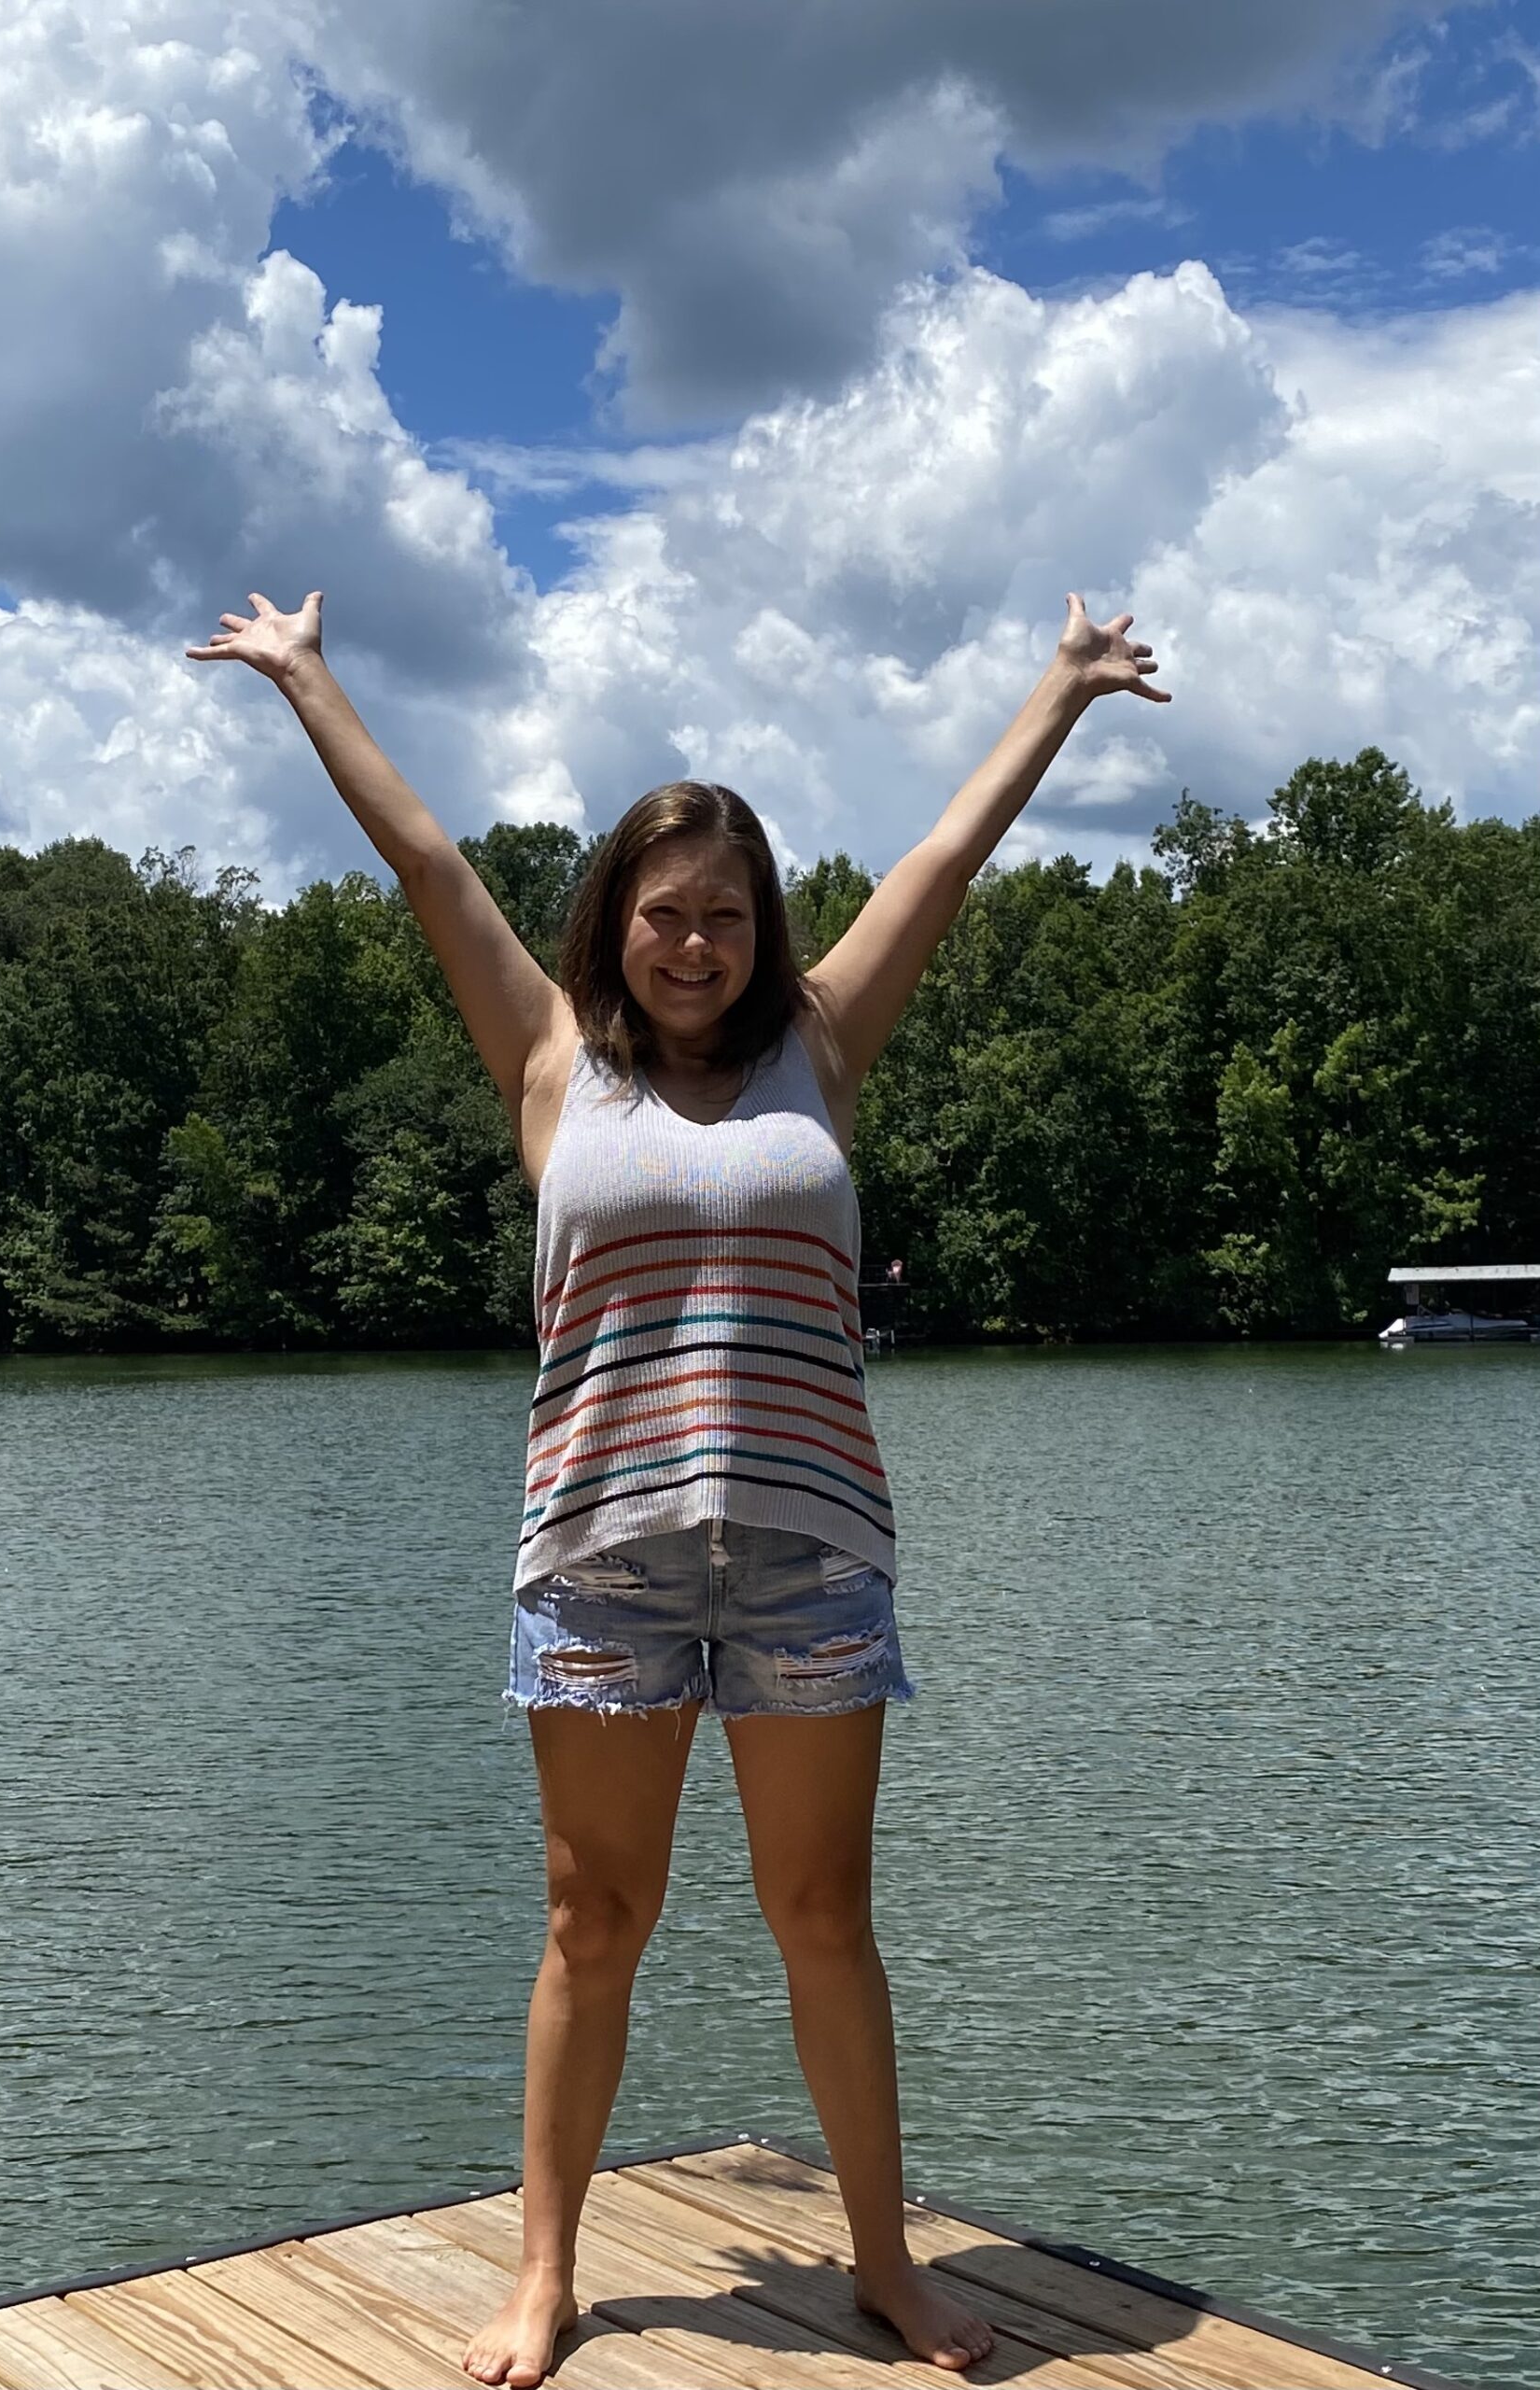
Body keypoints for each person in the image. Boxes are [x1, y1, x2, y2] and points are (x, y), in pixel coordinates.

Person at [187, 586, 1169, 2384]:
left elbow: (946, 857)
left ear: (762, 925)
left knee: (825, 1921)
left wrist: (1063, 690)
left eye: (725, 914)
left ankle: (887, 2260)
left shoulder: (824, 1046)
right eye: (664, 916)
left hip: (808, 1552)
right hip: (604, 1552)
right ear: (613, 927)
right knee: (592, 1918)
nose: (696, 945)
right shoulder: (553, 1063)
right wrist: (307, 676)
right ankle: (546, 2271)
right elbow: (425, 866)